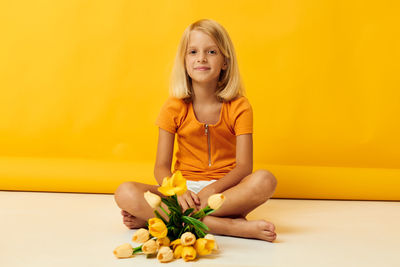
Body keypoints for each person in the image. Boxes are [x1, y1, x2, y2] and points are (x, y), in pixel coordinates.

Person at [114, 19, 277, 242]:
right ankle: (228, 226)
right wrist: (179, 192)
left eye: (211, 51)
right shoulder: (173, 106)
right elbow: (161, 167)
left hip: (225, 190)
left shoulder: (239, 106)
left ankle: (164, 219)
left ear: (225, 62)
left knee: (266, 180)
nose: (201, 58)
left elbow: (244, 167)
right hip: (184, 191)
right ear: (184, 61)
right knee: (125, 192)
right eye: (193, 52)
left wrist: (212, 191)